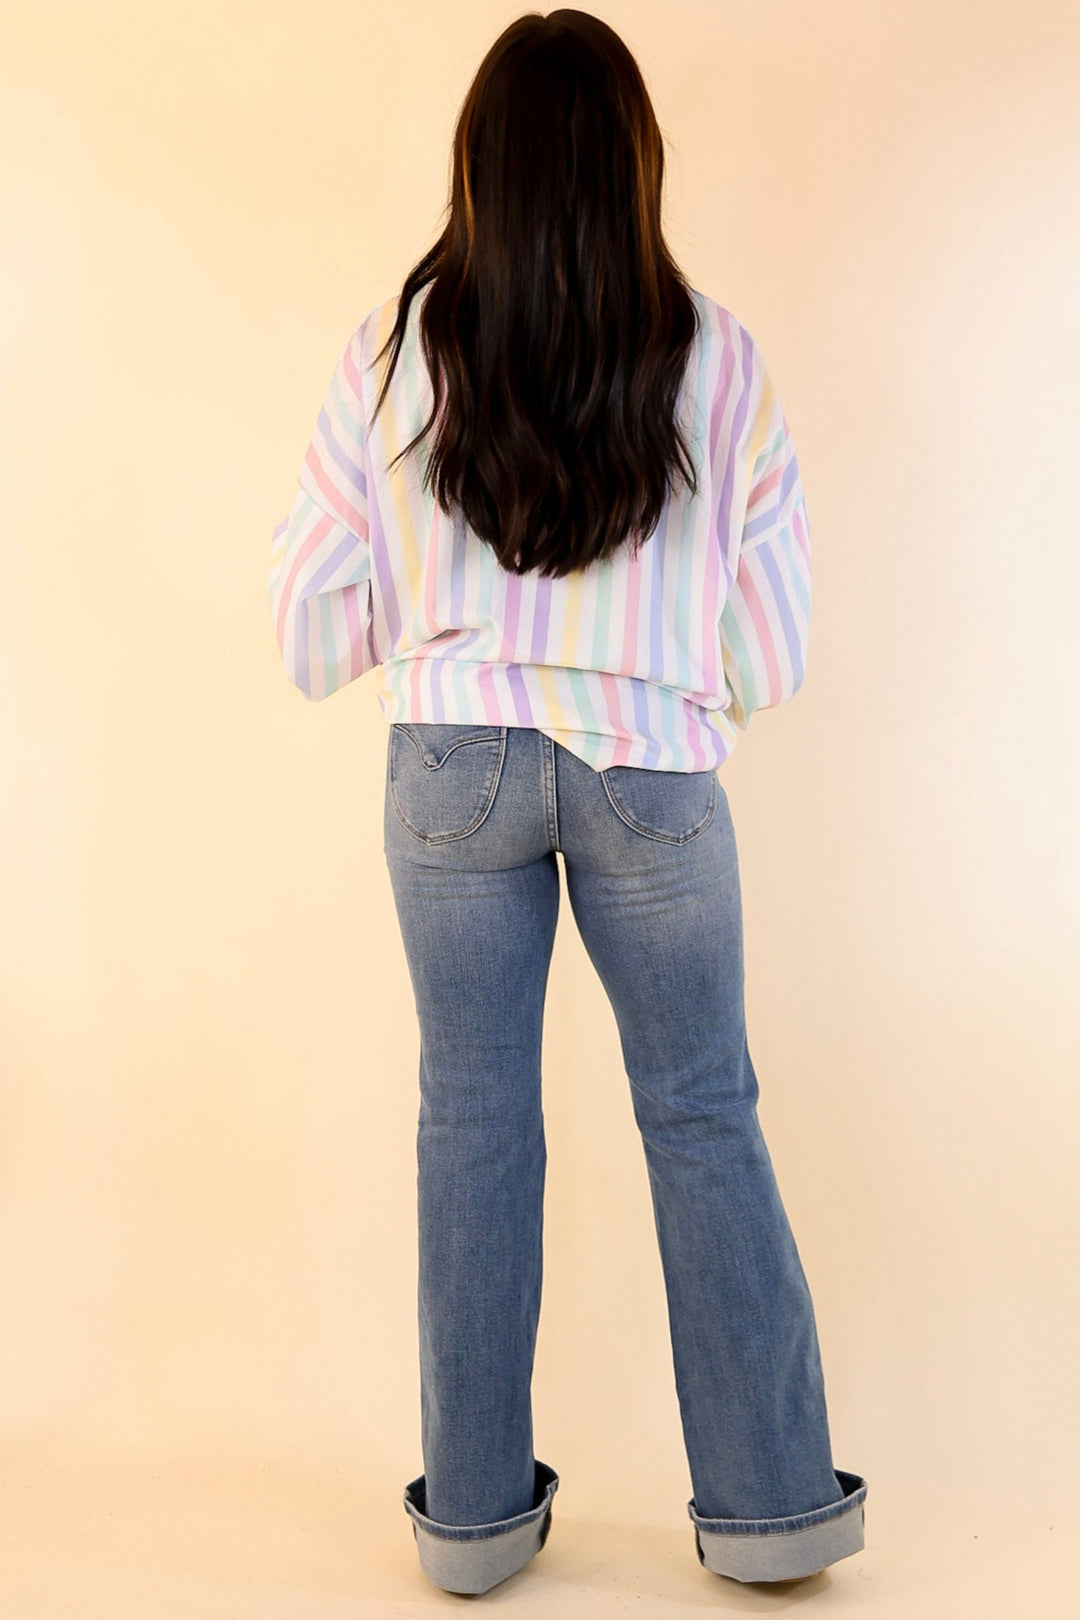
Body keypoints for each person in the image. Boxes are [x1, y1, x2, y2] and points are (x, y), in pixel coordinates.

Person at [268, 6, 867, 1598]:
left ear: (482, 172)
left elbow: (309, 628)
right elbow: (773, 644)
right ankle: (775, 1512)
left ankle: (470, 1527)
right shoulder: (719, 357)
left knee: (470, 1120)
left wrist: (441, 615)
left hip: (450, 769)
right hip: (650, 771)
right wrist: (661, 659)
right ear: (632, 172)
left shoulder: (396, 356)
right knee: (701, 1110)